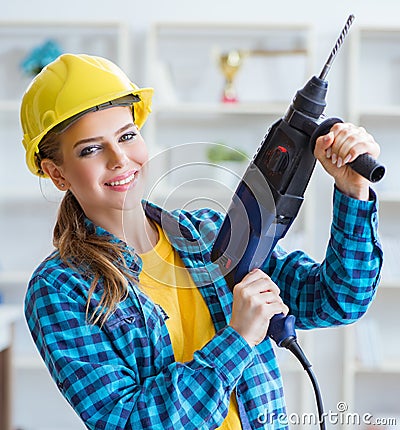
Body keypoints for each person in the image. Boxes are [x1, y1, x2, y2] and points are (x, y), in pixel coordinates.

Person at [21, 53, 382, 430]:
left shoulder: (210, 234)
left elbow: (337, 300)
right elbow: (128, 422)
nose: (119, 159)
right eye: (91, 149)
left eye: (127, 136)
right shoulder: (61, 290)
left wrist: (352, 189)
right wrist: (238, 339)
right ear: (56, 173)